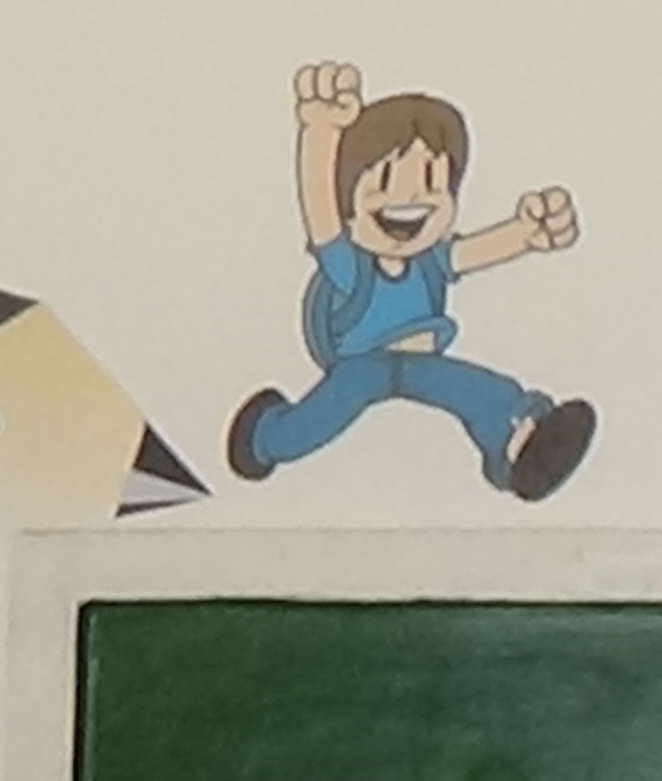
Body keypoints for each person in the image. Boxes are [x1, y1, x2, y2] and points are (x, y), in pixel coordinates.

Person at [229, 61, 596, 499]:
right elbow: (320, 213)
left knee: (477, 389)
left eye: (431, 185)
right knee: (321, 417)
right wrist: (321, 133)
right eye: (385, 183)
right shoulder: (352, 267)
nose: (410, 200)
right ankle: (266, 439)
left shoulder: (430, 262)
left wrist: (527, 235)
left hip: (419, 358)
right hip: (359, 364)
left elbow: (472, 252)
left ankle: (519, 444)